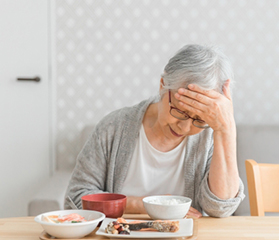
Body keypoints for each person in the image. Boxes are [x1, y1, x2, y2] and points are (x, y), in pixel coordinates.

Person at [64, 44, 245, 218]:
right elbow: (76, 199)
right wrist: (145, 205)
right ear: (162, 85)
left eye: (199, 119)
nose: (184, 127)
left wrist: (226, 129)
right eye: (180, 111)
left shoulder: (211, 137)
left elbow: (220, 209)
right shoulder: (114, 127)